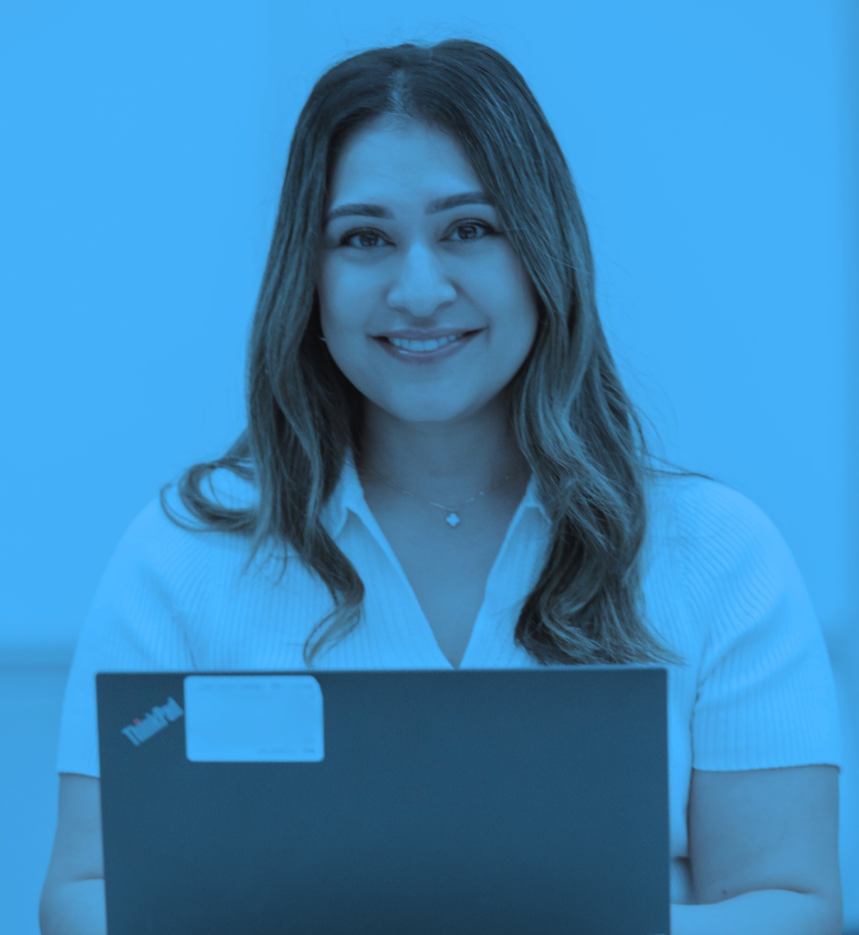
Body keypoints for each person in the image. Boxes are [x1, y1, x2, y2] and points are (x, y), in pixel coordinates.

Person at [39, 39, 842, 935]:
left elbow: (789, 906)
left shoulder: (714, 554)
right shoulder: (183, 556)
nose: (418, 290)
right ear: (308, 276)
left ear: (543, 252)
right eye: (364, 239)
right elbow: (84, 896)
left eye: (470, 229)